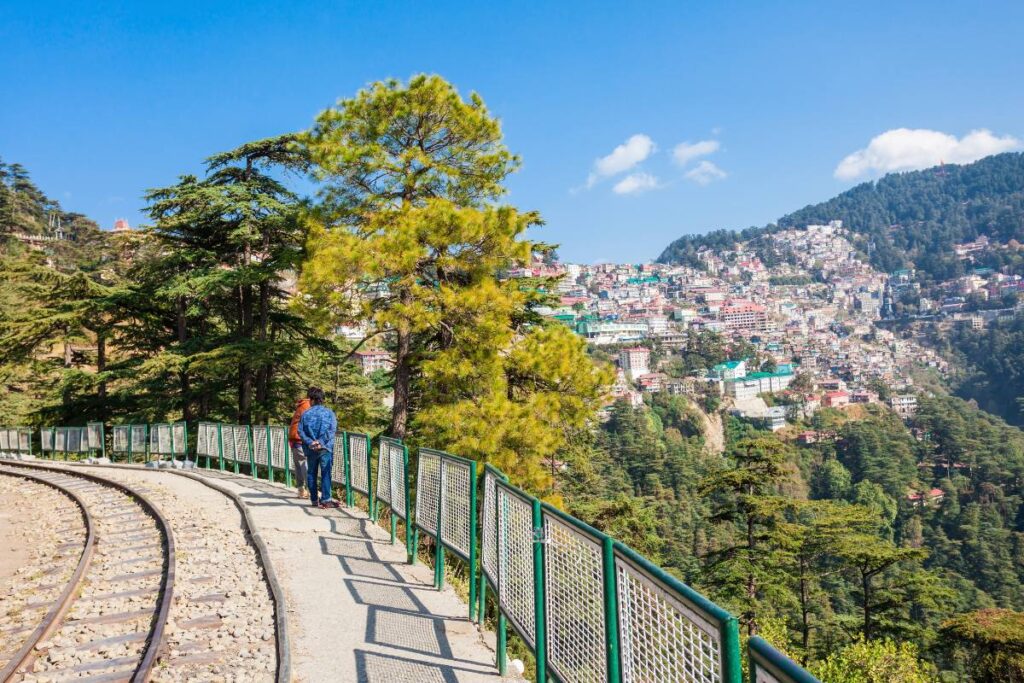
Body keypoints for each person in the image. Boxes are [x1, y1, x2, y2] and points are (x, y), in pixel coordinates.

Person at [297, 386, 339, 509]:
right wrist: (320, 442)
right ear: (322, 399)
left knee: (311, 473)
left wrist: (311, 442)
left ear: (312, 399)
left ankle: (314, 500)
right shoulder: (329, 413)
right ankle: (326, 500)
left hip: (311, 449)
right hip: (325, 448)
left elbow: (300, 431)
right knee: (326, 473)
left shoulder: (305, 414)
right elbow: (332, 430)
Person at [288, 394, 311, 499]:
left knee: (299, 465)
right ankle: (311, 490)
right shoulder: (307, 406)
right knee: (304, 464)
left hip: (294, 439)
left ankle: (301, 490)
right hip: (299, 439)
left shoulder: (302, 405)